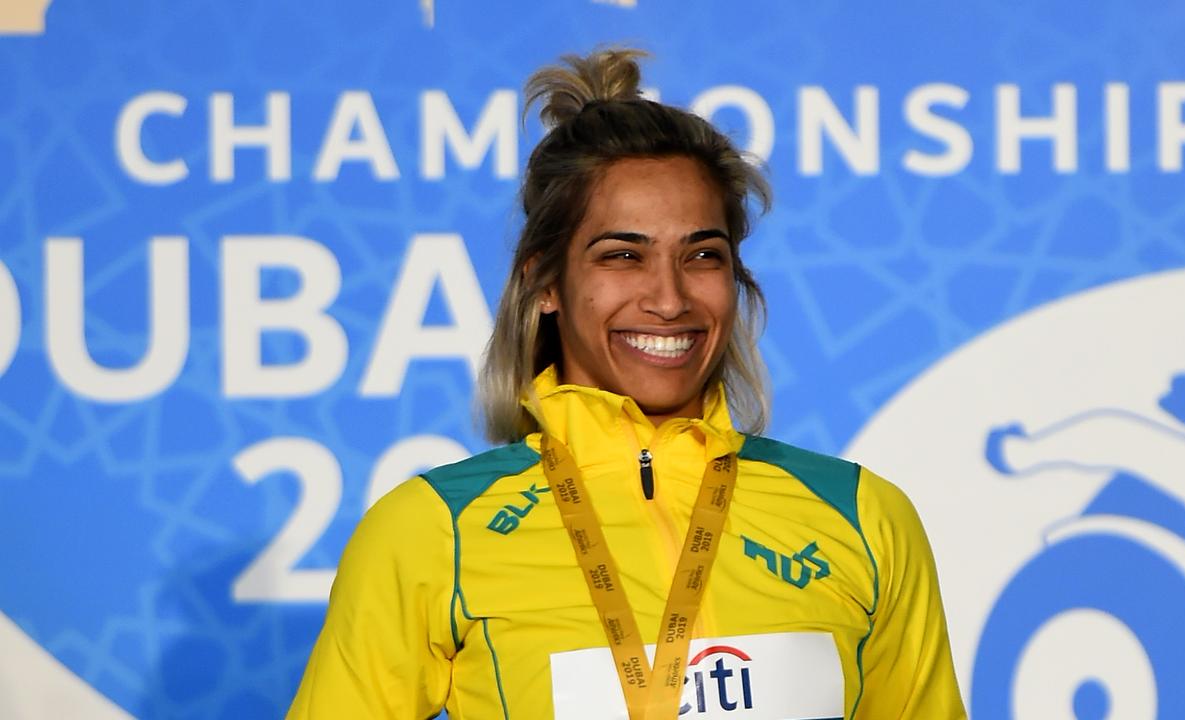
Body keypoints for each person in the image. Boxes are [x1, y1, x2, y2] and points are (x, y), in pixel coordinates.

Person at [288, 48, 966, 720]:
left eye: (701, 255)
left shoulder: (861, 515)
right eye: (623, 255)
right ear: (544, 282)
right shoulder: (432, 530)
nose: (668, 299)